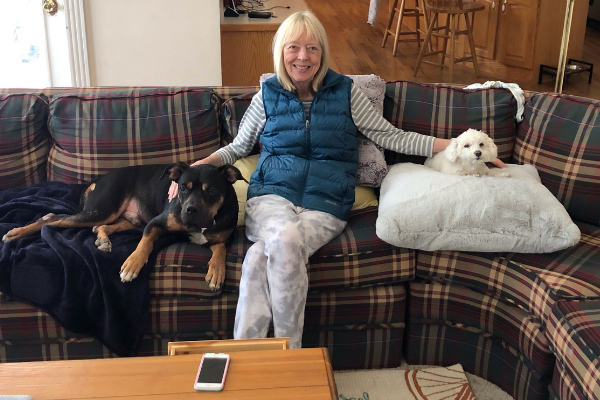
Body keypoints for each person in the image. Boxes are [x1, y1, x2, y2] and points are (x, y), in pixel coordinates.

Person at [169, 10, 506, 349]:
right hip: (270, 198)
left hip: (326, 204)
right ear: (281, 52)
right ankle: (279, 360)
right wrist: (200, 164)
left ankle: (264, 360)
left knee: (259, 257)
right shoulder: (267, 95)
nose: (303, 57)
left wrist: (457, 146)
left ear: (323, 53)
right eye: (294, 47)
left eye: (313, 48)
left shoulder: (345, 92)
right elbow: (239, 146)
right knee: (281, 239)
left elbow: (390, 136)